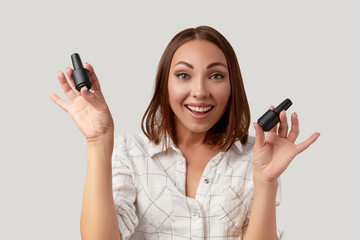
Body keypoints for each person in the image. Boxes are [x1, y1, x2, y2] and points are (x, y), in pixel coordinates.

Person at [49, 26, 320, 240]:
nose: (200, 91)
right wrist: (98, 142)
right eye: (183, 75)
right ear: (164, 84)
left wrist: (266, 181)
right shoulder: (131, 154)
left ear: (232, 85)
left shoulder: (256, 158)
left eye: (216, 76)